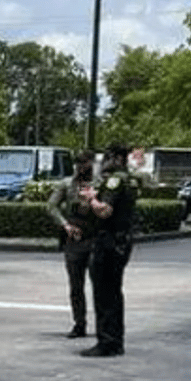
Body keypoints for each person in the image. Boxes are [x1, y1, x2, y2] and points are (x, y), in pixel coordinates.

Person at [80, 143, 138, 357]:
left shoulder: (115, 181)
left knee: (104, 293)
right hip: (121, 241)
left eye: (107, 157)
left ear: (116, 158)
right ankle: (116, 341)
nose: (103, 162)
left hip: (109, 242)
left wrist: (92, 199)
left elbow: (105, 211)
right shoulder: (129, 180)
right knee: (114, 292)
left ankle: (107, 342)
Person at [47, 151, 98, 339]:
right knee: (76, 285)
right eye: (79, 164)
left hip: (95, 239)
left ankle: (103, 324)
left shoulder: (99, 184)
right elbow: (51, 206)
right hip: (74, 239)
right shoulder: (67, 184)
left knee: (99, 284)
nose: (82, 168)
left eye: (86, 164)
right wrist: (65, 225)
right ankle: (80, 323)